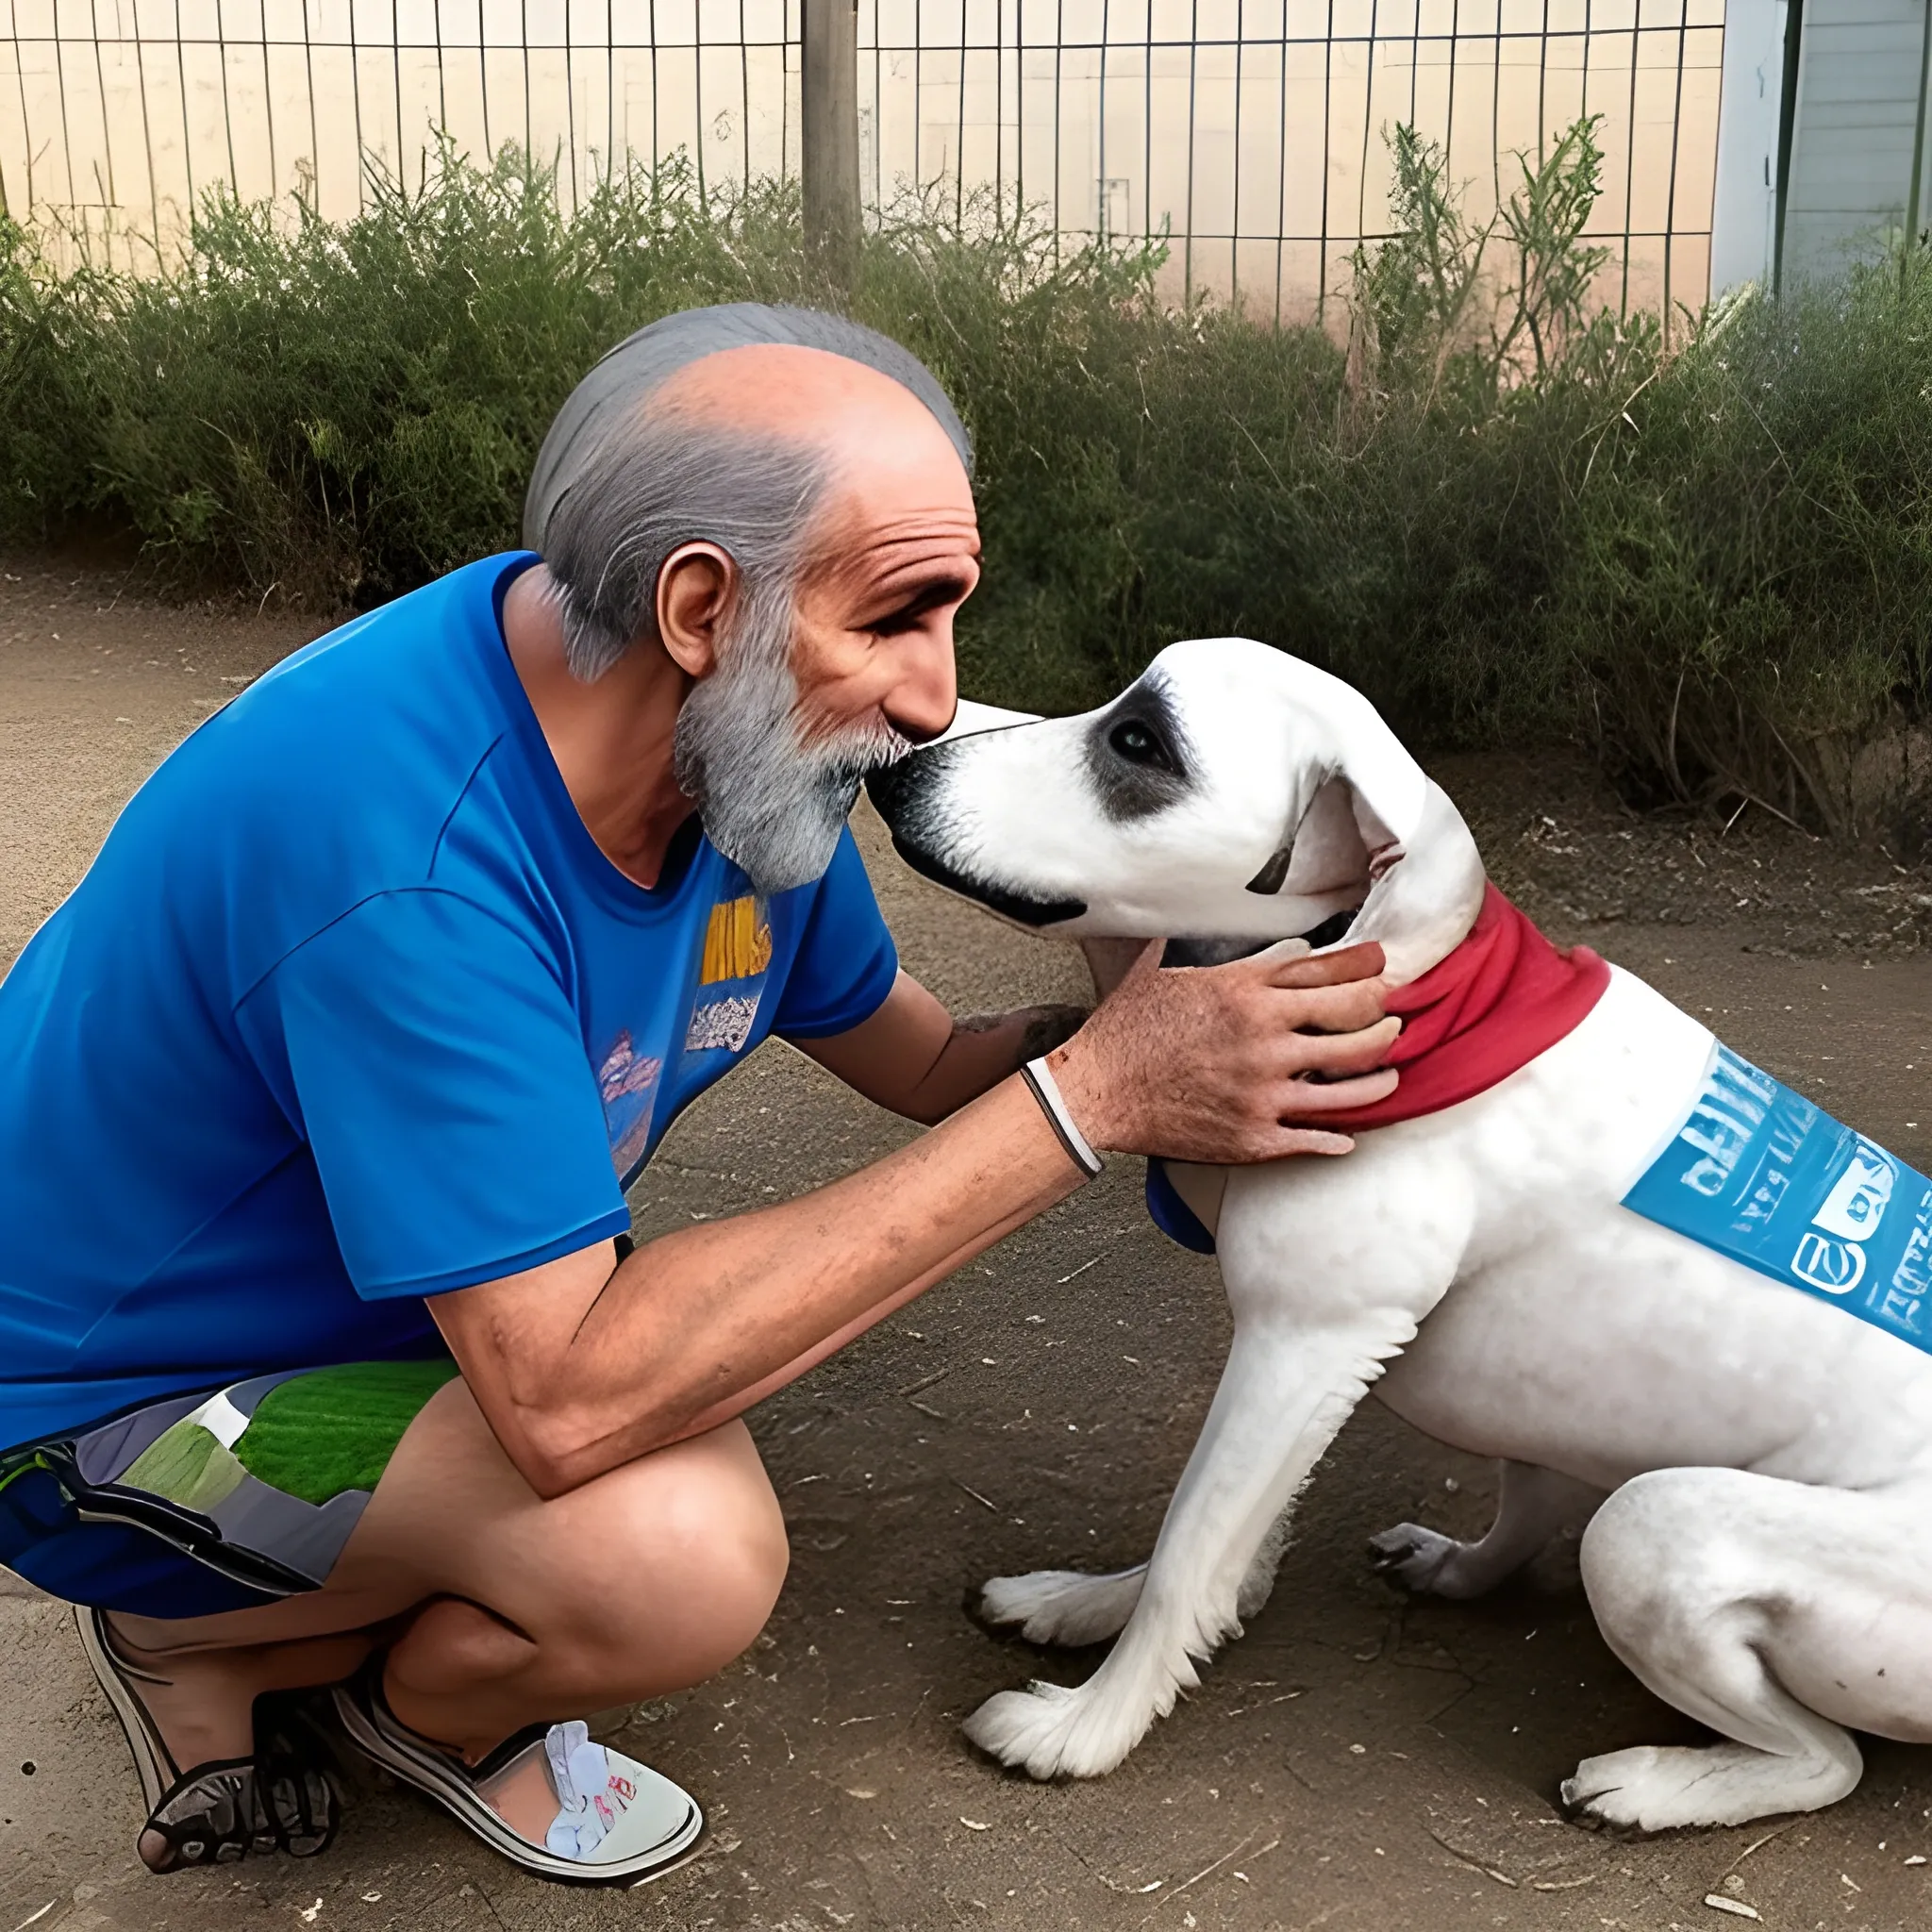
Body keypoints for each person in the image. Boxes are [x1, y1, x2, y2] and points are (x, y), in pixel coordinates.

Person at [0, 305, 1399, 1883]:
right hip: (96, 1416)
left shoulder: (732, 756)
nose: (941, 697)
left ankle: (304, 1604)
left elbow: (928, 1061)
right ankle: (278, 1660)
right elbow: (570, 1392)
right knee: (674, 1557)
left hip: (386, 1343)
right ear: (699, 606)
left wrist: (1135, 966)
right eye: (899, 619)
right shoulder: (411, 867)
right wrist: (1096, 1096)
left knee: (657, 1433)